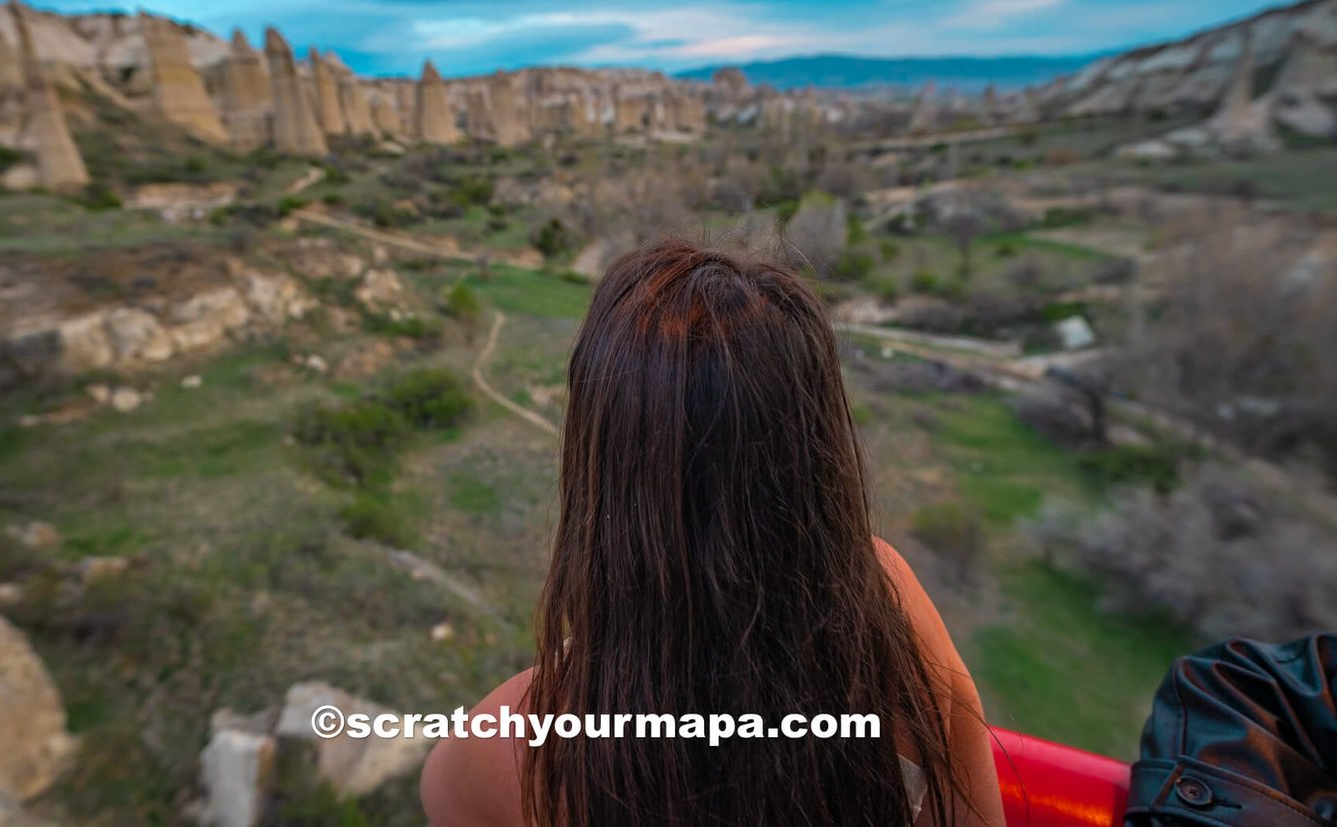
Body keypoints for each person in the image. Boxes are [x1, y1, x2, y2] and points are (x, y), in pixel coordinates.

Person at [421, 238, 1005, 825]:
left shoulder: (519, 741)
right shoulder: (889, 606)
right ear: (816, 444)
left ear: (599, 459)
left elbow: (441, 797)